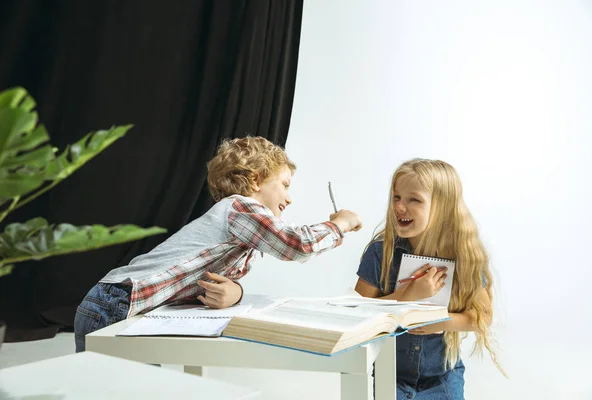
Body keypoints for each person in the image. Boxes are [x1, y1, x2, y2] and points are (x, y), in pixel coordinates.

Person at [74, 136, 362, 352]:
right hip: (116, 304)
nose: (289, 198)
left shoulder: (239, 225)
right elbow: (296, 245)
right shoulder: (241, 208)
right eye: (285, 185)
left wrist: (235, 293)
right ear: (255, 180)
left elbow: (216, 279)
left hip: (124, 306)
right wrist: (341, 224)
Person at [355, 158, 500, 400]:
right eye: (397, 197)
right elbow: (356, 315)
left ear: (442, 208)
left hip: (443, 378)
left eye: (414, 200)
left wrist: (441, 322)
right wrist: (407, 295)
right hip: (390, 377)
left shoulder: (465, 255)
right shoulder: (381, 253)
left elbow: (481, 317)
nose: (401, 207)